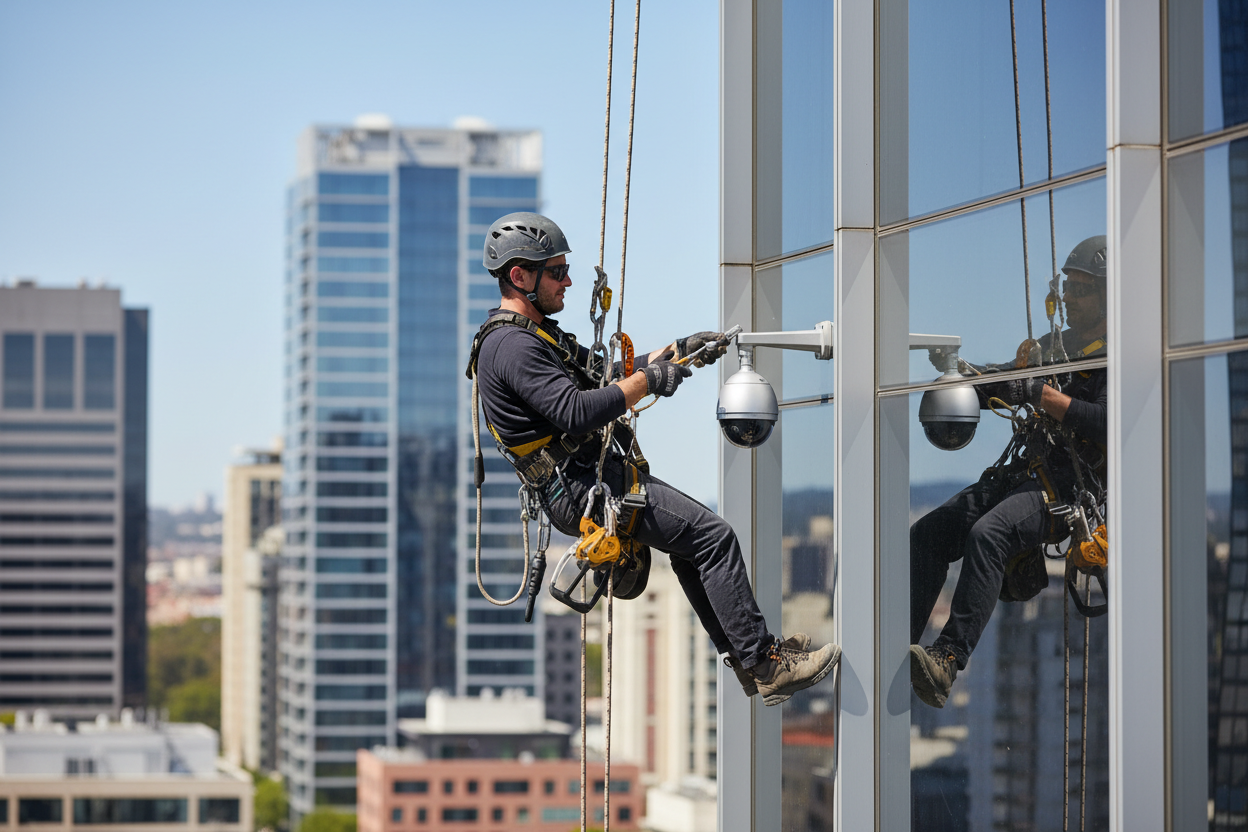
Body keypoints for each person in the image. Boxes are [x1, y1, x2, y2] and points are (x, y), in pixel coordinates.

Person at [468, 212, 839, 705]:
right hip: (580, 487)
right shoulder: (511, 346)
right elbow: (575, 410)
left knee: (694, 547)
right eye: (556, 271)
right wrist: (647, 382)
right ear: (520, 276)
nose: (568, 280)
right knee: (713, 538)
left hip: (584, 479)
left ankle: (750, 661)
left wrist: (677, 352)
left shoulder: (536, 336)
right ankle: (765, 663)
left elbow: (604, 372)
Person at [909, 235, 1109, 708]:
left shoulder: (1113, 356)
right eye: (1068, 288)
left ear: (1106, 295)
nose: (1072, 300)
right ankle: (897, 644)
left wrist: (1043, 395)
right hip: (1023, 475)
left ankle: (947, 659)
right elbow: (1005, 382)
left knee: (988, 533)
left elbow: (1107, 421)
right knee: (929, 534)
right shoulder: (1054, 347)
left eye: (1082, 289)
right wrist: (961, 378)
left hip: (1067, 491)